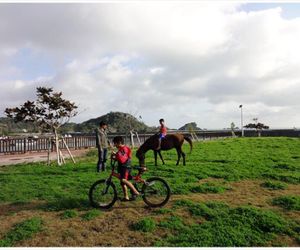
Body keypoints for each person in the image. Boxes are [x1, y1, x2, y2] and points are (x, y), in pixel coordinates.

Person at [112, 136, 140, 201]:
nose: (114, 145)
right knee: (122, 182)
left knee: (123, 180)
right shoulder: (123, 148)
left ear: (119, 142)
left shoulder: (123, 148)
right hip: (123, 167)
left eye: (115, 143)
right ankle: (126, 197)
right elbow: (122, 157)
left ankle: (135, 192)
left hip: (125, 167)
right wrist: (115, 156)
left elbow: (122, 159)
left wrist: (116, 155)